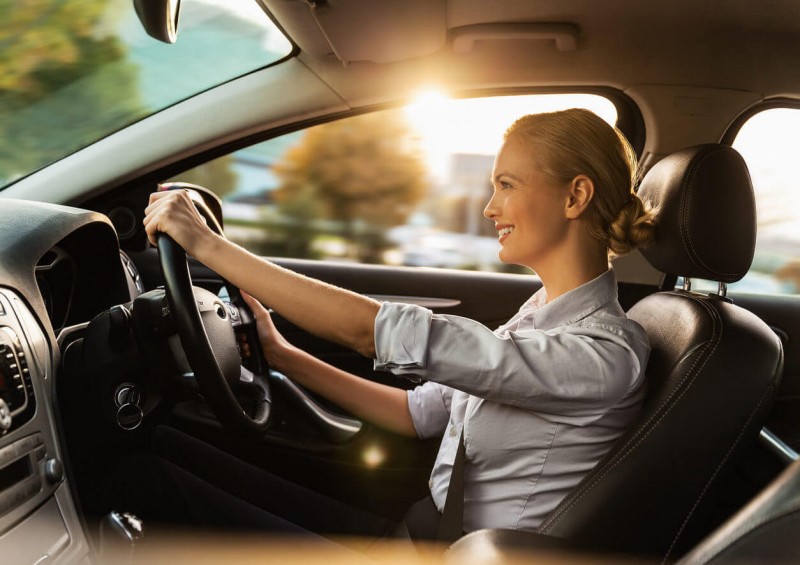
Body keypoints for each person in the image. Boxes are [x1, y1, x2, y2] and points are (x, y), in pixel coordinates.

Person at [141, 108, 656, 541]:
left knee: (157, 486)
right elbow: (418, 412)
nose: (489, 206)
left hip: (446, 552)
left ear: (575, 196)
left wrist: (208, 246)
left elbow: (374, 331)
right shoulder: (540, 315)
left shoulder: (603, 356)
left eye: (506, 185)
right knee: (162, 450)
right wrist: (281, 355)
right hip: (419, 531)